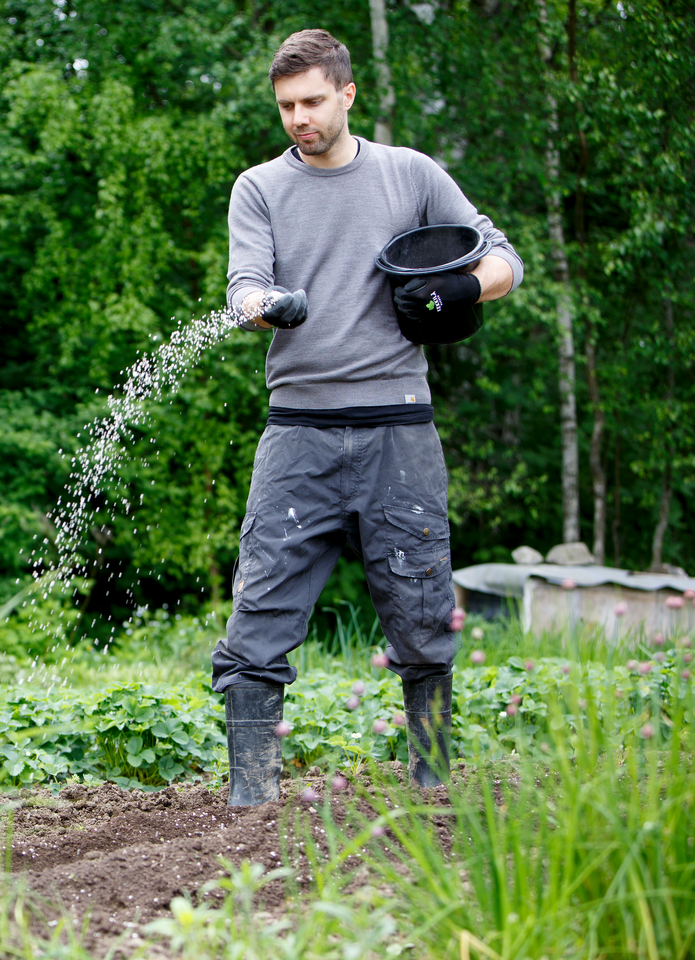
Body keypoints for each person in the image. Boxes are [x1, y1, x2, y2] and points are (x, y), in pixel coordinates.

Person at [215, 28, 523, 805]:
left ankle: (434, 788)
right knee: (258, 615)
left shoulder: (410, 174)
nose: (299, 118)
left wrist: (463, 289)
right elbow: (243, 288)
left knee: (422, 612)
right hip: (298, 433)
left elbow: (503, 259)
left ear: (347, 94)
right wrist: (267, 305)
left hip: (400, 431)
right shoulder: (259, 187)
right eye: (286, 106)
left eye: (313, 101)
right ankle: (250, 800)